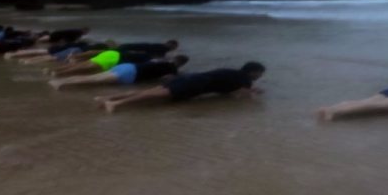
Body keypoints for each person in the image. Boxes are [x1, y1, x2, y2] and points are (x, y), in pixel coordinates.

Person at [94, 62, 266, 113]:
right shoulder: (245, 80)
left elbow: (228, 87)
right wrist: (253, 93)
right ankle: (116, 104)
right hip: (195, 84)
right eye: (260, 74)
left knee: (150, 91)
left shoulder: (231, 70)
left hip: (191, 78)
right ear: (253, 72)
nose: (260, 77)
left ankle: (108, 98)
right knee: (154, 95)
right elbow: (238, 95)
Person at [49, 55, 190, 90]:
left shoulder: (161, 60)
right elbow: (168, 79)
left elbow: (152, 63)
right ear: (181, 64)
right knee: (94, 80)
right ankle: (59, 82)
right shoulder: (173, 69)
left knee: (93, 77)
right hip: (131, 73)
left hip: (126, 66)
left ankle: (61, 80)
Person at [49, 49, 154, 77]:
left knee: (83, 65)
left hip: (111, 53)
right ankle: (59, 73)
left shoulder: (137, 52)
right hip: (114, 59)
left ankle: (55, 70)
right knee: (84, 68)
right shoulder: (146, 58)